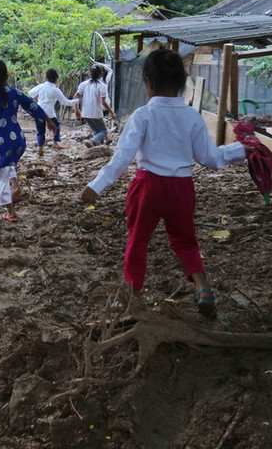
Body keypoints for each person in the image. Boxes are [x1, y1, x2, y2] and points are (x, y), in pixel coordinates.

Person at [80, 48, 247, 319]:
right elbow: (210, 158)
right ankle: (202, 288)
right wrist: (241, 150)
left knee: (137, 241)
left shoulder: (143, 115)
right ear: (181, 83)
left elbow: (123, 156)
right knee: (186, 241)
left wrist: (97, 185)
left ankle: (131, 296)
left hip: (148, 187)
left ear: (148, 83)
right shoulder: (192, 116)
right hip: (181, 188)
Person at [0, 59, 55, 222]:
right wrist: (48, 120)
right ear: (7, 75)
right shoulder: (15, 92)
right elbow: (33, 106)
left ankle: (11, 212)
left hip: (1, 141)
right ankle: (16, 187)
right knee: (6, 164)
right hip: (18, 140)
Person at [28, 68, 77, 155]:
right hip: (49, 112)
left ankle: (40, 147)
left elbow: (30, 93)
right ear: (56, 78)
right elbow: (65, 102)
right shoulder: (55, 89)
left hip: (39, 111)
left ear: (46, 77)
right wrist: (77, 101)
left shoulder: (41, 86)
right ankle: (55, 142)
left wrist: (37, 97)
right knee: (57, 126)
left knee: (40, 131)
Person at [75, 64, 116, 145]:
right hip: (96, 112)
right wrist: (112, 112)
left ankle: (96, 148)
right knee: (104, 131)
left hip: (85, 113)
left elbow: (76, 96)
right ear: (101, 74)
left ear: (90, 73)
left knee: (96, 131)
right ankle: (93, 141)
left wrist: (77, 109)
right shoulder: (102, 86)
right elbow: (103, 102)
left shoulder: (83, 84)